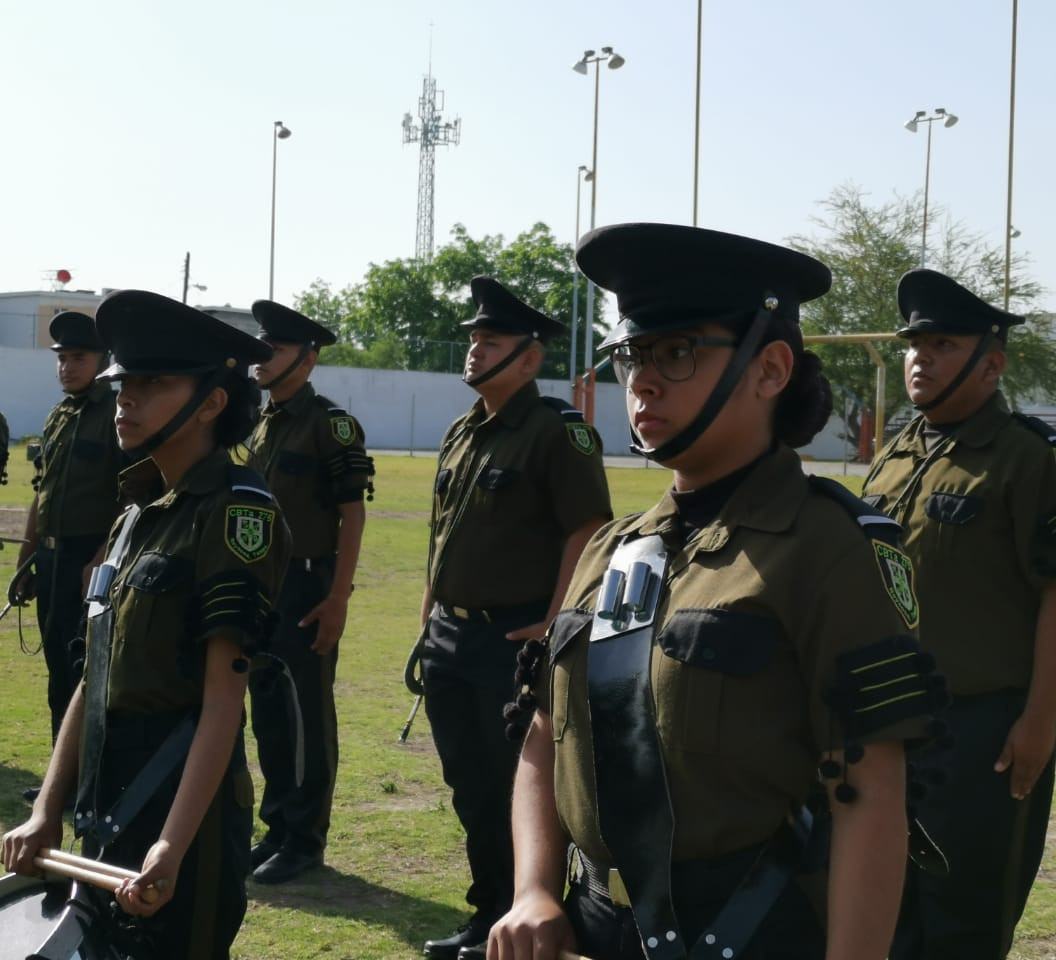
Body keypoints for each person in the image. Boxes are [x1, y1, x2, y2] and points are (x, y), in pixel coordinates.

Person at [486, 223, 946, 960]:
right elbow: (545, 733)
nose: (642, 381)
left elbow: (869, 792)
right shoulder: (612, 548)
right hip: (591, 927)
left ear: (770, 369)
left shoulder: (830, 548)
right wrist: (534, 890)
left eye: (677, 352)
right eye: (632, 355)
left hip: (747, 929)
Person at [1, 290, 291, 960]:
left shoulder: (234, 513)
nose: (126, 399)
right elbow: (93, 678)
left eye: (153, 383)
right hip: (106, 800)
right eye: (124, 383)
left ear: (211, 403)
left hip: (181, 803)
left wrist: (172, 843)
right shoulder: (137, 513)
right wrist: (47, 808)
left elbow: (223, 702)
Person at [861, 269, 1056, 959]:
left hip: (979, 731)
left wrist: (1037, 720)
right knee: (883, 912)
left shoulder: (1031, 458)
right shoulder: (896, 453)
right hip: (886, 722)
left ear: (991, 365)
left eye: (942, 345)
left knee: (964, 922)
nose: (920, 359)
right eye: (915, 345)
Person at [418, 276, 612, 959]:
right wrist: (428, 617)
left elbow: (588, 527)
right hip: (449, 635)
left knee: (518, 787)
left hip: (513, 637)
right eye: (473, 338)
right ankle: (488, 914)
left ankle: (532, 917)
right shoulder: (462, 431)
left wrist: (555, 621)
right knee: (469, 786)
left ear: (529, 359)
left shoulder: (556, 431)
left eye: (491, 340)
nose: (475, 349)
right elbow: (444, 534)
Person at [244, 299, 374, 884]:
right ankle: (277, 827)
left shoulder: (330, 424)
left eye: (275, 350)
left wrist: (338, 598)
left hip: (305, 584)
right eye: (262, 347)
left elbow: (352, 513)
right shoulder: (260, 421)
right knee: (269, 711)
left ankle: (304, 839)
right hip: (261, 585)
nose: (262, 358)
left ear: (308, 358)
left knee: (305, 717)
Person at [13, 311, 125, 757]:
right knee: (58, 668)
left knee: (89, 670)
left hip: (90, 559)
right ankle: (62, 775)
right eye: (62, 358)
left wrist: (102, 558)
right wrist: (27, 557)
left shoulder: (117, 413)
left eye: (79, 357)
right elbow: (42, 491)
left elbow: (132, 496)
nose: (67, 366)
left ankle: (90, 775)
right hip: (52, 560)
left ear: (103, 360)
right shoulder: (58, 415)